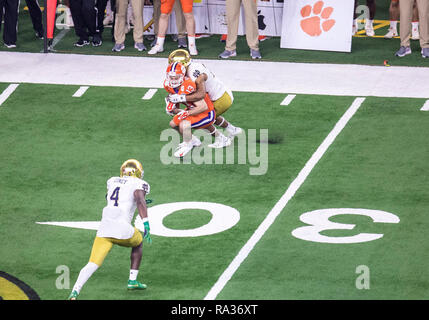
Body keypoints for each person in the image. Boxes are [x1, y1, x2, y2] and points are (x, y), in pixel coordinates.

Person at [68, 159, 152, 300]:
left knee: (92, 263)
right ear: (137, 172)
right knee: (138, 243)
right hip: (123, 231)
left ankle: (75, 291)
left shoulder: (112, 181)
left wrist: (138, 200)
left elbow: (112, 198)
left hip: (104, 229)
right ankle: (132, 280)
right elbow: (139, 200)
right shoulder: (139, 184)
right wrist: (146, 224)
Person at [167, 49, 242, 147]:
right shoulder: (192, 67)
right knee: (208, 115)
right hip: (220, 93)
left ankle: (221, 139)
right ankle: (232, 129)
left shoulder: (194, 73)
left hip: (221, 98)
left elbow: (201, 94)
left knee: (202, 119)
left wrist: (180, 98)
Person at [164, 62, 232, 158]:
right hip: (193, 109)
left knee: (184, 125)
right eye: (171, 77)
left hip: (206, 112)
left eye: (176, 77)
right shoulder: (168, 85)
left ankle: (189, 144)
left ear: (182, 75)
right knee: (173, 123)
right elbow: (176, 99)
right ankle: (194, 140)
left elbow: (202, 107)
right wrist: (172, 108)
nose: (174, 80)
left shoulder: (188, 85)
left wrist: (185, 112)